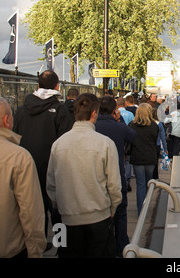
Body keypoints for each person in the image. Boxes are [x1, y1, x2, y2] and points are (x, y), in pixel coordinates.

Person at [46, 93, 122, 258]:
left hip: (66, 219)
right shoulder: (105, 143)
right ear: (94, 113)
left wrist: (59, 206)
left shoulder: (58, 144)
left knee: (64, 253)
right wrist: (113, 207)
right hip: (98, 217)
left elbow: (51, 184)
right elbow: (114, 185)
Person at [13, 70, 73, 246]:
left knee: (32, 208)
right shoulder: (60, 110)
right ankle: (59, 243)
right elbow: (65, 142)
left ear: (37, 86)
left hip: (25, 166)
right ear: (57, 86)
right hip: (52, 168)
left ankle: (37, 242)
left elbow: (14, 136)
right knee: (57, 210)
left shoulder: (22, 110)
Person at [0, 96, 46, 258]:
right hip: (8, 247)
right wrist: (35, 250)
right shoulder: (18, 157)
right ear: (7, 120)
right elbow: (30, 211)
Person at [95, 96, 137, 257]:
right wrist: (119, 121)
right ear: (115, 111)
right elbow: (133, 136)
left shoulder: (93, 125)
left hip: (97, 177)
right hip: (117, 175)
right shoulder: (119, 127)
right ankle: (121, 247)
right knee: (120, 213)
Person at [129, 103, 159, 214]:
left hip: (137, 157)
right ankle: (146, 206)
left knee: (140, 184)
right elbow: (155, 140)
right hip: (150, 157)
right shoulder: (154, 126)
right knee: (148, 183)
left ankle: (141, 210)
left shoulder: (132, 125)